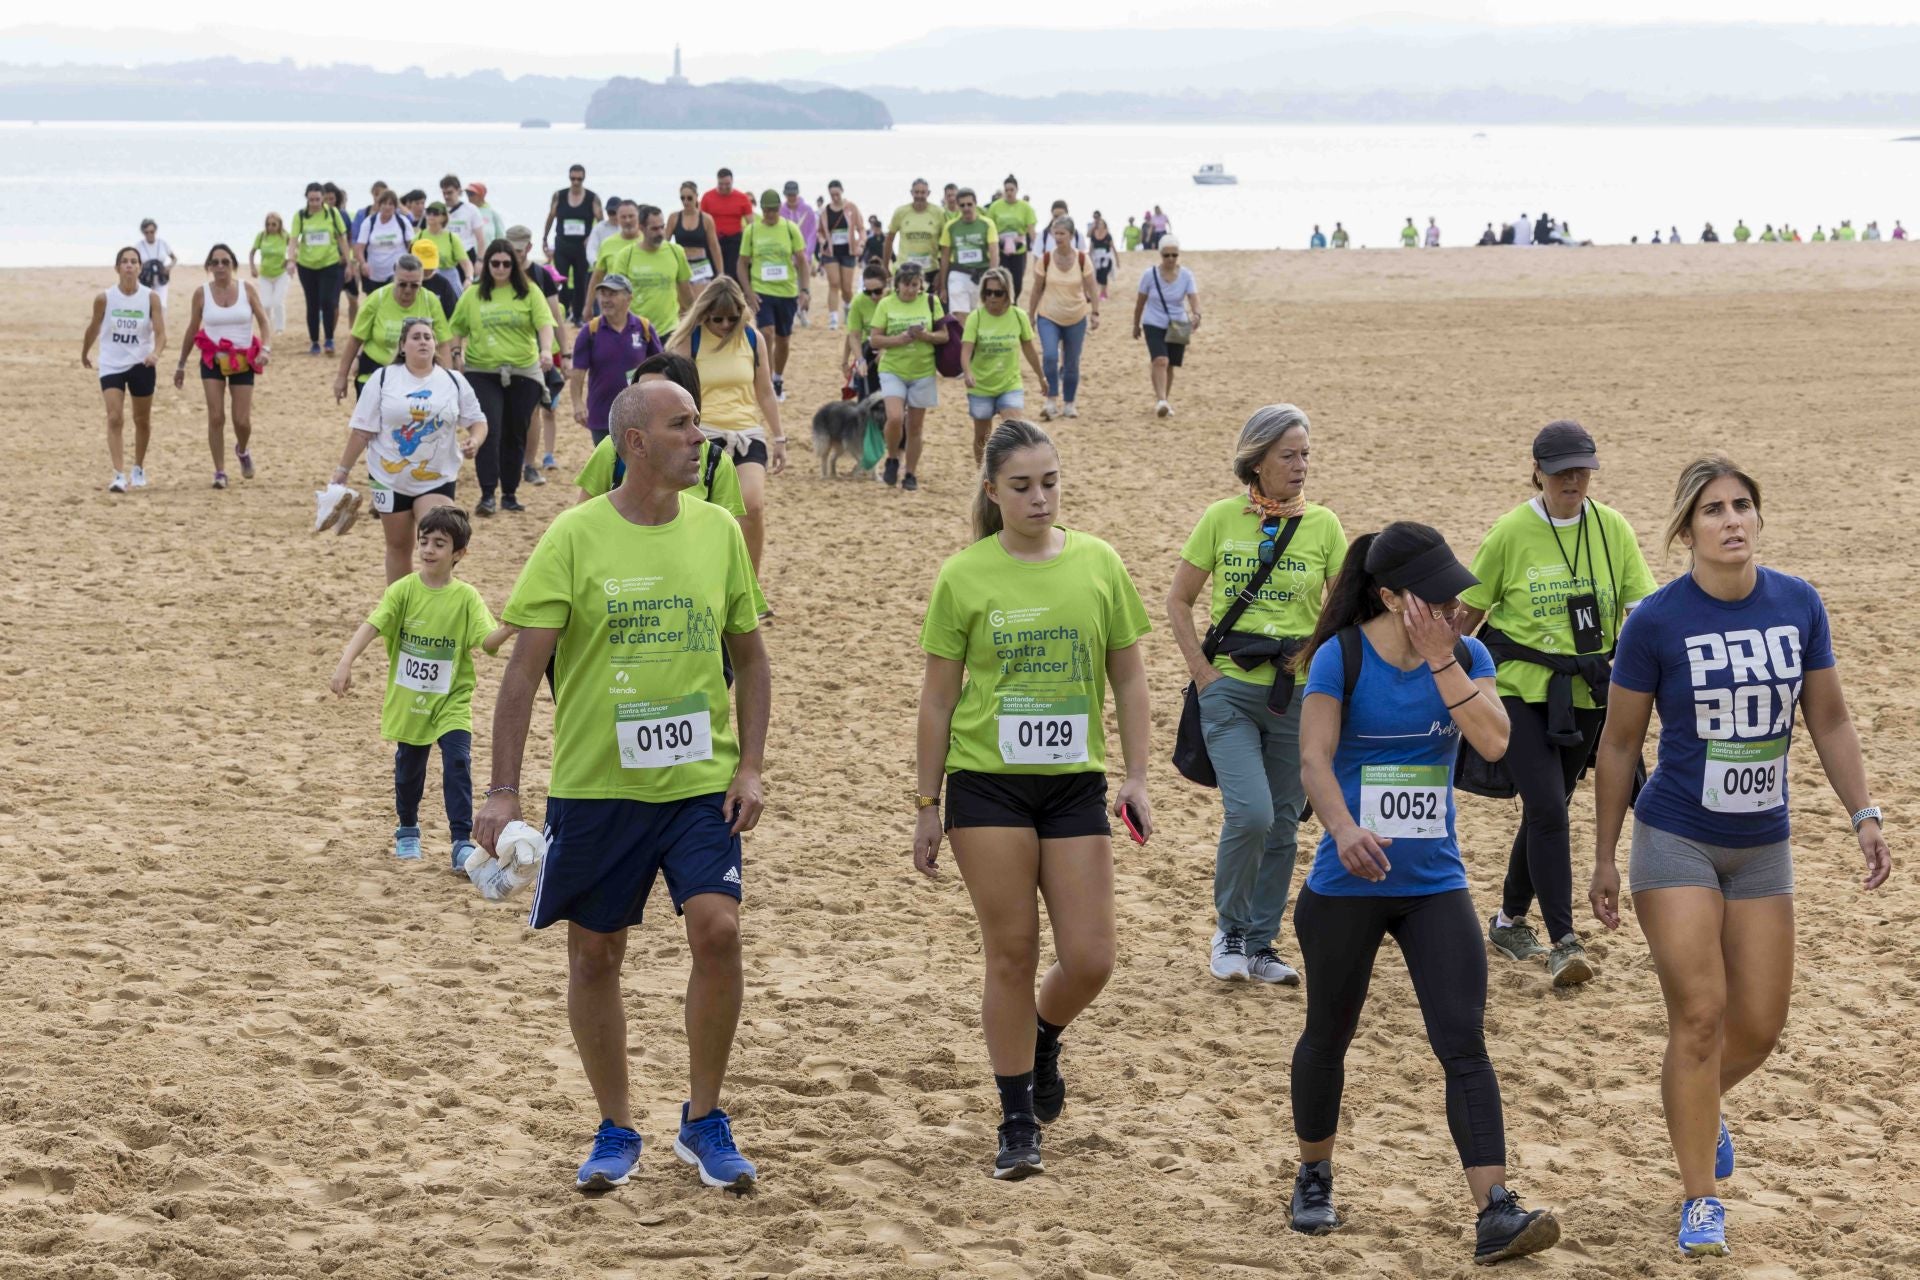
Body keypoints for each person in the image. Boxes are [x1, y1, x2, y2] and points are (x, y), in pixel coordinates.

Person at [475, 378, 770, 1196]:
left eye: (699, 423)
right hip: (598, 786)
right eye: (683, 426)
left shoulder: (718, 532)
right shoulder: (573, 537)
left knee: (718, 932)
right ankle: (615, 1125)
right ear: (635, 443)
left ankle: (704, 1120)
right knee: (596, 953)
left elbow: (750, 656)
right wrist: (501, 791)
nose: (700, 437)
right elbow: (520, 676)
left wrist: (750, 766)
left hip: (698, 786)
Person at [1589, 457, 1890, 1257]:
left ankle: (1698, 1109)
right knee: (1699, 1017)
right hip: (1677, 835)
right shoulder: (1655, 620)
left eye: (1743, 506)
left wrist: (1862, 812)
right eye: (1713, 510)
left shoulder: (1797, 603)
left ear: (1759, 517)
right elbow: (1619, 743)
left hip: (1764, 845)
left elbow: (1828, 720)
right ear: (1686, 530)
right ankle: (1701, 1200)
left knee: (1757, 1029)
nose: (1731, 521)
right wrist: (1605, 855)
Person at [1288, 522, 1561, 1264]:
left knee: (1463, 1042)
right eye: (1435, 597)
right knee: (1328, 1034)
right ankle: (1314, 1175)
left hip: (1434, 884)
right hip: (1346, 883)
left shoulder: (1465, 655)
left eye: (1455, 594)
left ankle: (1495, 1212)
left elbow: (1497, 742)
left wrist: (1444, 659)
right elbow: (1313, 760)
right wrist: (1343, 828)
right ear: (1388, 596)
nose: (1453, 605)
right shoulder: (1340, 660)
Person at [912, 418, 1152, 1180]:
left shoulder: (1099, 563)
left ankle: (1045, 1032)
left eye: (1050, 482)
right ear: (993, 491)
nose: (1039, 497)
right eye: (1021, 486)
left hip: (1074, 783)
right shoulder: (964, 575)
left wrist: (1137, 776)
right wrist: (926, 803)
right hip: (987, 786)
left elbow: (1131, 678)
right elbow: (937, 702)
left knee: (1090, 958)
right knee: (1011, 952)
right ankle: (1017, 1121)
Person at [1451, 421, 1656, 986]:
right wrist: (1445, 678)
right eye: (1561, 468)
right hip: (1516, 690)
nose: (1573, 478)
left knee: (1552, 805)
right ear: (1536, 469)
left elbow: (1640, 608)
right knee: (1548, 809)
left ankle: (1509, 918)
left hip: (1588, 691)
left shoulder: (1613, 528)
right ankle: (1565, 939)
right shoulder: (1510, 532)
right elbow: (1467, 615)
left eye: (1581, 468)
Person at [1168, 405, 1347, 986]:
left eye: (1306, 455)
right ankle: (1230, 930)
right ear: (1258, 460)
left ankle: (1263, 943)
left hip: (1296, 695)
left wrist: (1327, 673)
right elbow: (1178, 601)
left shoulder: (1324, 525)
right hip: (1229, 693)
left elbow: (1342, 611)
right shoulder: (1220, 518)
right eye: (1288, 456)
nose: (1300, 466)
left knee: (1286, 824)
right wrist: (1201, 672)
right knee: (1252, 813)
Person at [329, 504, 495, 868]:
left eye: (439, 543)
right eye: (424, 541)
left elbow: (487, 641)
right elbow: (373, 624)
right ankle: (407, 829)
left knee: (457, 763)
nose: (429, 550)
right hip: (410, 701)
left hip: (451, 700)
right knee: (408, 772)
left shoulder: (467, 597)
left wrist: (513, 627)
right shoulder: (403, 590)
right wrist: (346, 661)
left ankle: (460, 842)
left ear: (458, 554)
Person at [329, 316, 487, 581]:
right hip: (388, 477)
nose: (423, 341)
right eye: (416, 337)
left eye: (428, 337)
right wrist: (342, 470)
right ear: (403, 346)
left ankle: (433, 603)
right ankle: (400, 610)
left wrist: (475, 440)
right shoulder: (383, 378)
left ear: (435, 344)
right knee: (399, 546)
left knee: (440, 540)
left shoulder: (453, 380)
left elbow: (477, 421)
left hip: (437, 477)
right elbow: (362, 431)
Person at [666, 279, 786, 576]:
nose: (723, 324)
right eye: (716, 318)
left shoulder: (752, 337)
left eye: (732, 318)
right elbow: (671, 391)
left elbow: (765, 390)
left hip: (746, 431)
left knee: (752, 506)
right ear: (704, 313)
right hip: (701, 435)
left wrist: (780, 437)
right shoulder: (689, 339)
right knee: (699, 512)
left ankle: (750, 587)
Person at [450, 239, 556, 516]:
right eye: (494, 263)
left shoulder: (529, 291)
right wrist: (456, 353)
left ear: (515, 264)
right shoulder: (473, 294)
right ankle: (487, 494)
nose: (500, 268)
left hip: (523, 371)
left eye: (506, 263)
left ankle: (509, 493)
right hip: (482, 371)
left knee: (515, 432)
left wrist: (546, 350)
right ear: (487, 266)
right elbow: (457, 327)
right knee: (489, 430)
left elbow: (545, 324)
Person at [173, 244, 272, 490]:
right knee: (216, 416)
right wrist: (181, 364)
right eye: (215, 262)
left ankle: (242, 449)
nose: (220, 267)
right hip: (212, 359)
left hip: (243, 359)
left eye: (225, 262)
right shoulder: (201, 294)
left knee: (242, 421)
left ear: (233, 265)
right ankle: (219, 471)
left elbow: (263, 321)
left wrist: (266, 349)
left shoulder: (246, 289)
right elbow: (192, 329)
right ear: (209, 267)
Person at [82, 246, 166, 493]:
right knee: (115, 417)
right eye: (125, 261)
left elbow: (161, 334)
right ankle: (118, 474)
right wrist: (84, 352)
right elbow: (93, 328)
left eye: (134, 261)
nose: (129, 265)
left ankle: (138, 467)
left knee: (142, 420)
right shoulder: (104, 298)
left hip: (142, 363)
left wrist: (156, 353)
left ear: (140, 267)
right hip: (111, 364)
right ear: (117, 267)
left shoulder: (150, 297)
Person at [869, 263, 946, 491]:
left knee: (915, 427)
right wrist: (899, 340)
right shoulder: (886, 303)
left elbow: (944, 336)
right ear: (897, 284)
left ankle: (910, 473)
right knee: (894, 418)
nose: (911, 290)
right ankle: (892, 457)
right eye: (906, 284)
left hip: (923, 370)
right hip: (893, 368)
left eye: (915, 284)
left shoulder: (931, 302)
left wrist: (925, 335)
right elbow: (874, 339)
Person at [334, 257, 451, 401]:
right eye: (402, 284)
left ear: (422, 281)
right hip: (374, 373)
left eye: (415, 285)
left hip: (416, 378)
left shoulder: (430, 301)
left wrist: (448, 381)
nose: (408, 290)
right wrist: (341, 377)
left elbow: (444, 344)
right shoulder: (377, 298)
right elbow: (355, 339)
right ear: (394, 277)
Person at [506, 226, 571, 483]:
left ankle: (528, 464)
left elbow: (556, 318)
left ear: (529, 248)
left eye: (518, 250)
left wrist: (564, 353)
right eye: (510, 249)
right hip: (501, 353)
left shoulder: (541, 276)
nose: (513, 255)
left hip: (534, 355)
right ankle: (510, 461)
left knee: (533, 410)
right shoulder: (498, 271)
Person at [959, 267, 1043, 463]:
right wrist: (967, 372)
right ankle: (983, 477)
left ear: (1008, 293)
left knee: (1014, 431)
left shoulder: (1018, 316)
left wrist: (1041, 376)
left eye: (998, 293)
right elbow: (965, 351)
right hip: (981, 386)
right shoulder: (976, 317)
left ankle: (1009, 475)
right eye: (988, 292)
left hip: (1009, 384)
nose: (992, 297)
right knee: (982, 437)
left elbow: (1029, 349)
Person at [569, 274, 664, 446]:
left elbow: (660, 367)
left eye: (612, 294)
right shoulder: (590, 331)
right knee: (610, 466)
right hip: (602, 415)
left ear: (629, 298)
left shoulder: (644, 328)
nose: (605, 299)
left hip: (639, 414)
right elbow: (577, 373)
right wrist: (577, 404)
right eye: (603, 294)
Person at [737, 191, 809, 401]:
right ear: (761, 208)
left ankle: (778, 377)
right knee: (766, 333)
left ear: (780, 208)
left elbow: (802, 262)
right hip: (762, 292)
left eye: (774, 210)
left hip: (787, 292)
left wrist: (805, 290)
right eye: (766, 210)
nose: (770, 214)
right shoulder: (752, 230)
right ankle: (766, 379)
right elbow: (742, 263)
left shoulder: (789, 228)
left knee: (783, 339)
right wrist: (749, 292)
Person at [1026, 218, 1100, 422]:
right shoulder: (1046, 259)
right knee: (1050, 356)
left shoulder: (1083, 259)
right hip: (1048, 316)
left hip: (1076, 316)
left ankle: (1069, 403)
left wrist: (1095, 312)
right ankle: (1050, 400)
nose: (1058, 238)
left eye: (1062, 234)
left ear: (1071, 235)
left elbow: (1092, 287)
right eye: (1055, 233)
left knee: (1071, 362)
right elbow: (1036, 289)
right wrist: (1030, 315)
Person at [589, 203, 693, 342]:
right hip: (636, 329)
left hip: (669, 329)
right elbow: (615, 295)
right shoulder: (626, 255)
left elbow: (685, 292)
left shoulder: (676, 252)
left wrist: (694, 320)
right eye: (654, 229)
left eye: (662, 227)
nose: (660, 233)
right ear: (642, 228)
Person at [1132, 237, 1199, 418]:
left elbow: (1193, 297)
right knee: (1160, 360)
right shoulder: (1149, 275)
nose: (1170, 258)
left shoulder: (1186, 275)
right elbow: (1140, 302)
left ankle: (1163, 401)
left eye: (1174, 255)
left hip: (1179, 323)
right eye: (1167, 255)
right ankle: (1161, 399)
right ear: (1161, 255)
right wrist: (1135, 324)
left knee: (1170, 364)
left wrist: (1196, 314)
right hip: (1153, 321)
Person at [292, 183, 351, 355]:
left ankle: (329, 339)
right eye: (311, 200)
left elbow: (342, 239)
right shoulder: (301, 216)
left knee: (328, 301)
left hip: (329, 264)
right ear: (307, 199)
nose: (315, 203)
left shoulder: (332, 214)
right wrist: (290, 259)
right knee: (312, 304)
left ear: (323, 198)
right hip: (307, 265)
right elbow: (294, 239)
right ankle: (314, 342)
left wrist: (349, 263)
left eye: (318, 199)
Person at [544, 164, 603, 325]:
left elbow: (601, 222)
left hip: (582, 246)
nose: (576, 182)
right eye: (573, 179)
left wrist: (592, 238)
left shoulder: (592, 198)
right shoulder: (559, 195)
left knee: (580, 281)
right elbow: (550, 217)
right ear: (569, 178)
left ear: (584, 179)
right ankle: (562, 312)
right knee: (560, 279)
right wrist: (544, 238)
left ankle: (577, 315)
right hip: (562, 244)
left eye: (579, 179)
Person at [937, 187, 999, 322]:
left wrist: (993, 277)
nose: (966, 208)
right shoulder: (951, 226)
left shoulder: (987, 224)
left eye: (969, 204)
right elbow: (945, 257)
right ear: (958, 206)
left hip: (982, 275)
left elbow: (994, 253)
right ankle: (963, 343)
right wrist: (943, 286)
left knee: (979, 315)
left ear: (975, 204)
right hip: (958, 274)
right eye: (962, 205)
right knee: (960, 316)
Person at [818, 180, 864, 328]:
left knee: (846, 287)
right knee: (834, 283)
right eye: (832, 195)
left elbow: (861, 228)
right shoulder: (825, 211)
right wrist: (822, 240)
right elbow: (820, 231)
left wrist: (861, 243)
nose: (835, 197)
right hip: (830, 252)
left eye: (837, 194)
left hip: (848, 252)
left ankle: (847, 306)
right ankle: (833, 318)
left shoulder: (851, 208)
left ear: (842, 191)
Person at [985, 176, 1038, 300]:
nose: (1009, 193)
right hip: (1000, 248)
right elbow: (988, 227)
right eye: (1006, 190)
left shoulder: (1025, 207)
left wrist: (1037, 248)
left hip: (1018, 249)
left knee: (1017, 282)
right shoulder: (995, 206)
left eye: (1011, 190)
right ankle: (1004, 302)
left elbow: (1031, 230)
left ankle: (1014, 302)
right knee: (1002, 279)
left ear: (1017, 190)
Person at [841, 263, 888, 398]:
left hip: (892, 350)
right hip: (867, 352)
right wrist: (859, 360)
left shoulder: (894, 300)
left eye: (877, 291)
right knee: (866, 398)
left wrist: (886, 351)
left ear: (886, 285)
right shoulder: (858, 301)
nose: (873, 296)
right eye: (867, 291)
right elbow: (853, 335)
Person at [701, 168, 756, 285]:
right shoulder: (707, 197)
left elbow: (751, 224)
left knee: (732, 275)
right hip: (713, 241)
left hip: (734, 242)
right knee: (714, 275)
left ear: (732, 182)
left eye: (727, 184)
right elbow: (701, 222)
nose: (724, 187)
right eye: (721, 184)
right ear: (717, 182)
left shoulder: (742, 198)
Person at [355, 190, 414, 296]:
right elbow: (359, 247)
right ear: (379, 205)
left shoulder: (403, 222)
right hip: (373, 273)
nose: (387, 207)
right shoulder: (369, 222)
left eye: (391, 204)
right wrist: (363, 264)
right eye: (384, 203)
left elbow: (412, 246)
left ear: (395, 206)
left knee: (393, 301)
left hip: (396, 272)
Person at [886, 178, 946, 280]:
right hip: (904, 269)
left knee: (930, 297)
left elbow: (945, 244)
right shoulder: (900, 212)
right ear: (911, 193)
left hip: (930, 270)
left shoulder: (939, 212)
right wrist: (885, 266)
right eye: (916, 192)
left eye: (923, 192)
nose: (919, 196)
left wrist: (941, 273)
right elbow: (889, 240)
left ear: (928, 193)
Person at [672, 182, 725, 295]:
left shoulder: (706, 219)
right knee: (684, 304)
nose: (685, 202)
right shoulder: (674, 218)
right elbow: (664, 243)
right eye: (682, 198)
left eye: (689, 198)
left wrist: (720, 273)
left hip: (701, 265)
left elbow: (714, 247)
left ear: (696, 196)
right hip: (682, 264)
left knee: (700, 302)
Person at [414, 204, 471, 304]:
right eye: (428, 212)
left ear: (444, 217)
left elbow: (465, 262)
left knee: (458, 303)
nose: (431, 215)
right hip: (425, 276)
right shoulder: (419, 236)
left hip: (448, 276)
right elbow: (409, 259)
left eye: (435, 213)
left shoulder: (451, 237)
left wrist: (468, 278)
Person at [778, 181, 819, 308]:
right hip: (787, 255)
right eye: (789, 195)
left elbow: (812, 233)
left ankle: (804, 309)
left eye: (793, 195)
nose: (791, 198)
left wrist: (808, 253)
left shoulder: (807, 210)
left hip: (804, 253)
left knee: (804, 284)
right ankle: (795, 309)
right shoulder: (781, 211)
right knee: (790, 283)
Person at [249, 213, 291, 335]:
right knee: (266, 303)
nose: (271, 227)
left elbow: (296, 247)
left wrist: (289, 260)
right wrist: (253, 267)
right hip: (265, 275)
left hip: (281, 274)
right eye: (268, 224)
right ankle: (266, 325)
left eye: (274, 224)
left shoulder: (284, 236)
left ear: (279, 225)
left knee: (277, 302)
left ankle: (279, 328)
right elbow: (252, 252)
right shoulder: (262, 236)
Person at [438, 175, 482, 268]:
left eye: (450, 193)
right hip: (445, 256)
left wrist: (480, 261)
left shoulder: (471, 210)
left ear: (458, 191)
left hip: (466, 254)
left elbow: (480, 239)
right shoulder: (438, 210)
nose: (446, 196)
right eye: (444, 193)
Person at [134, 219, 177, 307]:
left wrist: (169, 267)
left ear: (155, 231)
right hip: (145, 280)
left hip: (161, 279)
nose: (150, 234)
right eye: (146, 232)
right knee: (147, 305)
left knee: (162, 305)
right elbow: (134, 262)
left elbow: (174, 258)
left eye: (152, 232)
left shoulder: (162, 243)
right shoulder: (139, 246)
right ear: (143, 233)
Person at [588, 196, 624, 266]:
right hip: (603, 265)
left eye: (616, 212)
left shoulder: (627, 228)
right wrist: (595, 263)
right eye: (611, 213)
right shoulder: (599, 228)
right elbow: (591, 248)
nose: (614, 216)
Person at [1087, 213, 1116, 298]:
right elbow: (1089, 237)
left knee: (1104, 273)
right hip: (1096, 257)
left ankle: (1103, 292)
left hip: (1106, 257)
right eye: (1095, 217)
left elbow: (1112, 246)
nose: (1096, 219)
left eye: (1097, 217)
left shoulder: (1107, 234)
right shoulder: (1092, 228)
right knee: (1098, 276)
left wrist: (1117, 260)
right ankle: (1104, 292)